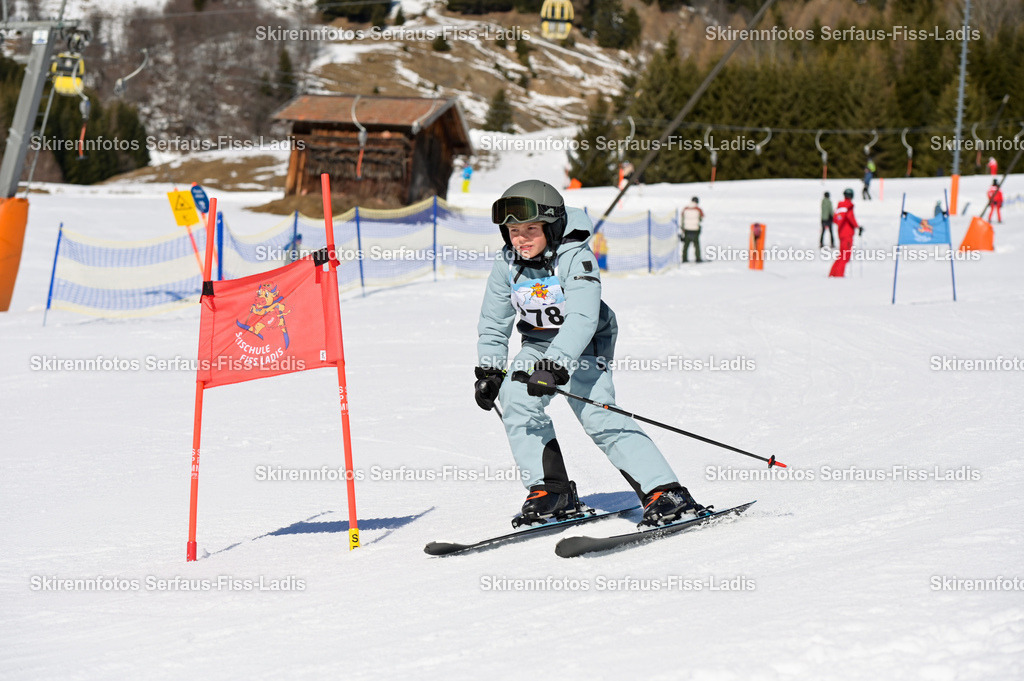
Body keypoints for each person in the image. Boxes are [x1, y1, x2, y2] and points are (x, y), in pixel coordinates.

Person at [474, 180, 709, 528]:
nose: (519, 238)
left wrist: (555, 367)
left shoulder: (574, 255)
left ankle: (666, 492)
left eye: (530, 229)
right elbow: (494, 319)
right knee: (515, 399)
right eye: (512, 230)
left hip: (586, 343)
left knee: (596, 412)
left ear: (551, 227)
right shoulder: (507, 263)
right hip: (538, 343)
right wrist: (490, 371)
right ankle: (551, 492)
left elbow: (583, 317)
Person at [828, 188, 861, 278]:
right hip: (847, 234)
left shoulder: (841, 206)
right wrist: (857, 227)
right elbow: (851, 218)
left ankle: (833, 273)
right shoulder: (848, 206)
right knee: (845, 255)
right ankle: (839, 274)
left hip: (841, 232)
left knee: (841, 254)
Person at [680, 196, 704, 263]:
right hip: (695, 229)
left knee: (686, 245)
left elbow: (682, 218)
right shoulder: (698, 209)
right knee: (696, 245)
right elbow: (701, 218)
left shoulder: (685, 209)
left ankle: (684, 258)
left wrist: (683, 228)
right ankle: (698, 258)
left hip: (687, 229)